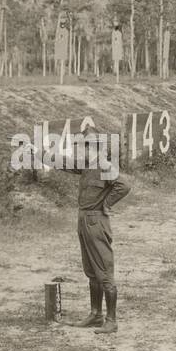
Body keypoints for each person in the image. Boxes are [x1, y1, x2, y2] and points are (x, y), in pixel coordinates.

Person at [57, 133, 132, 331]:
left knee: (104, 272)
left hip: (96, 222)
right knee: (91, 271)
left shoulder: (105, 166)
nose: (79, 151)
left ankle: (111, 321)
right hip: (84, 221)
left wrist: (107, 204)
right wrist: (34, 151)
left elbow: (124, 185)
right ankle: (95, 315)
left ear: (95, 149)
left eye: (83, 148)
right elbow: (61, 162)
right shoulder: (88, 165)